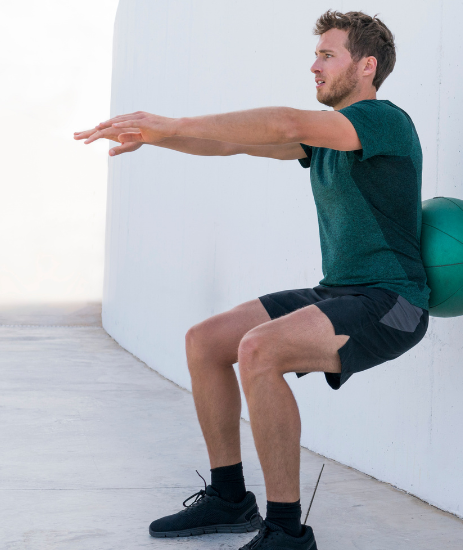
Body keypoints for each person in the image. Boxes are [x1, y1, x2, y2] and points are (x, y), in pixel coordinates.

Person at [74, 10, 429, 550]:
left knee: (259, 350)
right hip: (341, 290)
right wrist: (156, 135)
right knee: (206, 341)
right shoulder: (328, 139)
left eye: (327, 55)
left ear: (367, 66)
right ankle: (228, 497)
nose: (314, 66)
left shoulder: (383, 120)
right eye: (316, 55)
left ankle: (286, 530)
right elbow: (232, 143)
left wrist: (175, 122)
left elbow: (285, 123)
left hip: (394, 301)